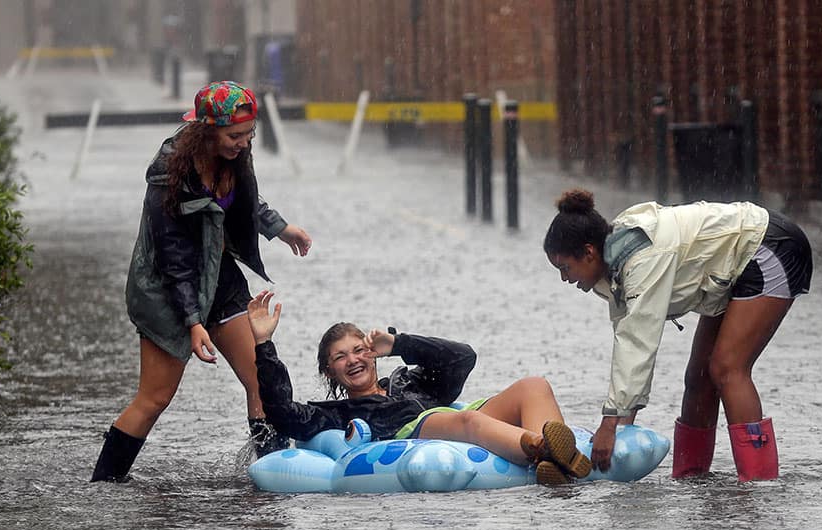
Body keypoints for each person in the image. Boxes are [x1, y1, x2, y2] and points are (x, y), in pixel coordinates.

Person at [90, 81, 313, 482]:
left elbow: (246, 201)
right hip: (167, 291)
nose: (243, 144)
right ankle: (104, 484)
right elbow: (174, 260)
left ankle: (274, 477)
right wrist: (193, 322)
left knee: (261, 381)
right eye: (234, 136)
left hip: (220, 279)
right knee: (155, 397)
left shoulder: (235, 155)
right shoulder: (168, 176)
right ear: (206, 130)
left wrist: (280, 228)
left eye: (249, 135)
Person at [543, 189, 812, 482]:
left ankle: (759, 483)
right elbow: (626, 347)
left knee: (727, 368)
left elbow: (637, 344)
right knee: (698, 377)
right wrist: (621, 427)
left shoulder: (640, 258)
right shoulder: (613, 262)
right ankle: (690, 479)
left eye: (565, 268)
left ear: (589, 252)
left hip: (768, 248)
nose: (564, 279)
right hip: (731, 267)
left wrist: (609, 426)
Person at [246, 290, 592, 486]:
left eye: (359, 350)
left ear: (372, 354)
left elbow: (462, 358)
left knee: (534, 385)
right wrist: (264, 344)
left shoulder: (406, 381)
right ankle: (544, 449)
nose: (353, 360)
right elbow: (281, 411)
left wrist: (399, 344)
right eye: (340, 357)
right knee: (467, 422)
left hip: (443, 416)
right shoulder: (334, 415)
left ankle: (554, 466)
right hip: (414, 432)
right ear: (329, 371)